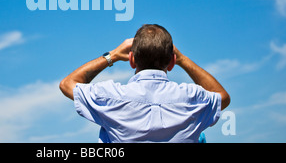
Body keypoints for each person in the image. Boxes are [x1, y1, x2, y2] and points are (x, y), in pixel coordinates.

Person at [59, 24, 231, 143]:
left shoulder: (111, 97)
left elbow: (68, 84)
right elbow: (222, 97)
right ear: (172, 62)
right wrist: (183, 60)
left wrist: (113, 55)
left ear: (132, 60)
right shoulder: (192, 98)